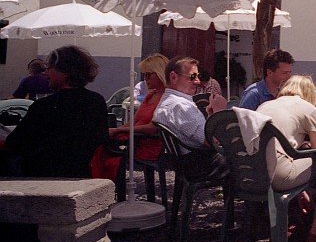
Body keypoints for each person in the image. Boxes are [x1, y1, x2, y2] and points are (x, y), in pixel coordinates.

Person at [254, 75, 316, 242]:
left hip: (252, 175)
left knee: (297, 159)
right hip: (278, 175)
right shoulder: (308, 108)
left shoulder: (265, 105)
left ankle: (293, 223)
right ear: (310, 94)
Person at [4, 46, 108, 177]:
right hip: (81, 174)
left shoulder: (44, 106)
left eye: (49, 68)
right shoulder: (96, 101)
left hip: (40, 178)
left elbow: (14, 143)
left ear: (64, 71)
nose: (45, 73)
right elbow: (100, 138)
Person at [153, 56, 229, 179]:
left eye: (198, 76)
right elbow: (212, 142)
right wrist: (219, 112)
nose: (198, 81)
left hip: (187, 162)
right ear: (173, 77)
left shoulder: (168, 101)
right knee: (244, 158)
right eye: (192, 77)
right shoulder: (179, 106)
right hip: (199, 164)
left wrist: (210, 114)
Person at [105, 54, 169, 196]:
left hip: (148, 145)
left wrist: (118, 131)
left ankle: (116, 194)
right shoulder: (150, 95)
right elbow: (134, 120)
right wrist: (117, 129)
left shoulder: (168, 99)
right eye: (144, 75)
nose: (145, 79)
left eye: (148, 75)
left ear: (160, 74)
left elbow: (153, 128)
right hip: (135, 139)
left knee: (109, 152)